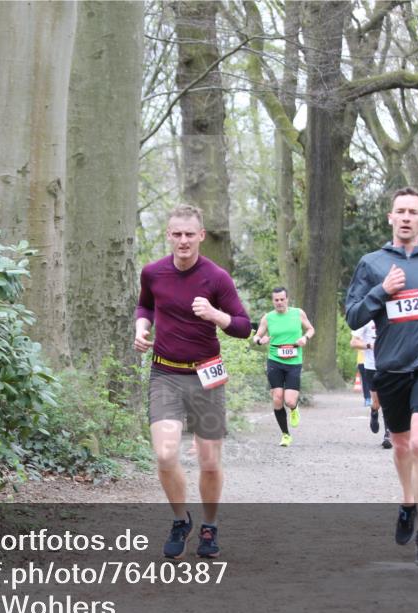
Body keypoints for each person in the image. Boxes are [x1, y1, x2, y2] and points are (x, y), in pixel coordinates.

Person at [344, 187, 418, 566]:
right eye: (401, 211)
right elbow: (353, 316)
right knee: (400, 445)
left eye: (414, 211)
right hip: (391, 365)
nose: (407, 217)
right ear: (390, 218)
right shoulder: (372, 264)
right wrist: (382, 290)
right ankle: (408, 502)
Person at [134, 204, 251, 560]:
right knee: (166, 454)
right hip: (165, 373)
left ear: (201, 236)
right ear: (168, 235)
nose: (183, 241)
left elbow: (244, 327)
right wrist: (142, 328)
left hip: (207, 375)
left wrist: (215, 315)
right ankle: (180, 519)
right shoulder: (152, 273)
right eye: (176, 234)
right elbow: (145, 306)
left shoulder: (217, 278)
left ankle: (209, 526)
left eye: (189, 234)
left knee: (209, 461)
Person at [252, 287, 315, 447]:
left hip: (294, 362)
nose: (279, 302)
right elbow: (256, 337)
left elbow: (311, 329)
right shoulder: (268, 318)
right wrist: (261, 340)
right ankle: (285, 435)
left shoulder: (298, 313)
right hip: (274, 361)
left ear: (287, 299)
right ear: (273, 301)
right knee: (277, 398)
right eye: (276, 300)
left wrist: (304, 338)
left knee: (290, 401)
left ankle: (294, 409)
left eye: (282, 299)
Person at [350, 321, 392, 449]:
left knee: (388, 401)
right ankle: (374, 412)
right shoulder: (365, 320)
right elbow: (353, 342)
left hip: (391, 365)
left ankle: (388, 435)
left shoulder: (392, 314)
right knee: (377, 403)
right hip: (371, 366)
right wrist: (369, 345)